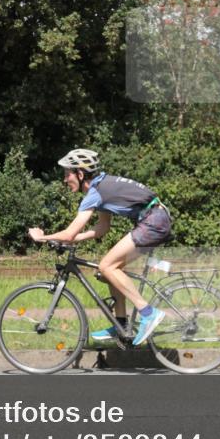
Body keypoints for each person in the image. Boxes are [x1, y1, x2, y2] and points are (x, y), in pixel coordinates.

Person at [28, 148, 173, 346]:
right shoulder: (101, 187)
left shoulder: (95, 192)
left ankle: (149, 313)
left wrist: (42, 237)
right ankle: (121, 324)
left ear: (80, 174)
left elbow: (69, 233)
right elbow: (102, 227)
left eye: (67, 174)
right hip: (155, 219)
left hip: (153, 222)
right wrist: (73, 239)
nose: (64, 179)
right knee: (109, 270)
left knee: (107, 266)